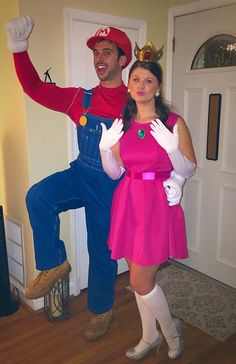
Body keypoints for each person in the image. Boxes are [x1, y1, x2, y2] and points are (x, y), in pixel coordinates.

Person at [5, 16, 184, 341]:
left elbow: (167, 131)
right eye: (96, 53)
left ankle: (102, 310)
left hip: (113, 186)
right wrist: (19, 50)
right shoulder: (80, 98)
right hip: (81, 173)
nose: (99, 59)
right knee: (38, 196)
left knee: (101, 250)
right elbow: (34, 88)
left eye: (106, 52)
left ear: (122, 59)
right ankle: (54, 263)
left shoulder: (136, 104)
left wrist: (177, 176)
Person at [99, 41, 196, 359]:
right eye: (136, 80)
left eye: (148, 81)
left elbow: (189, 166)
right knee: (138, 278)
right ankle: (149, 336)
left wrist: (172, 153)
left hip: (156, 205)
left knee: (141, 281)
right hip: (128, 201)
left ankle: (171, 334)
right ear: (129, 85)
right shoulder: (122, 125)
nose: (141, 86)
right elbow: (114, 173)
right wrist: (104, 150)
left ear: (158, 87)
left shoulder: (174, 123)